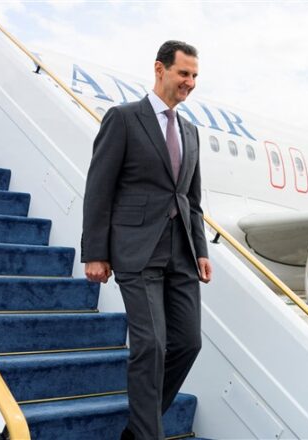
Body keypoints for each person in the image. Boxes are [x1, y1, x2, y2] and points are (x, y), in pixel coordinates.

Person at [81, 40, 212, 440]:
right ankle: (146, 434)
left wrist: (201, 250)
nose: (190, 82)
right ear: (160, 69)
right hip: (137, 251)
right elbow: (99, 189)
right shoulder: (123, 119)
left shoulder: (190, 131)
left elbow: (191, 199)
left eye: (194, 75)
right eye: (183, 73)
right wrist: (95, 253)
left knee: (188, 343)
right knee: (151, 346)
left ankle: (139, 427)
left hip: (182, 251)